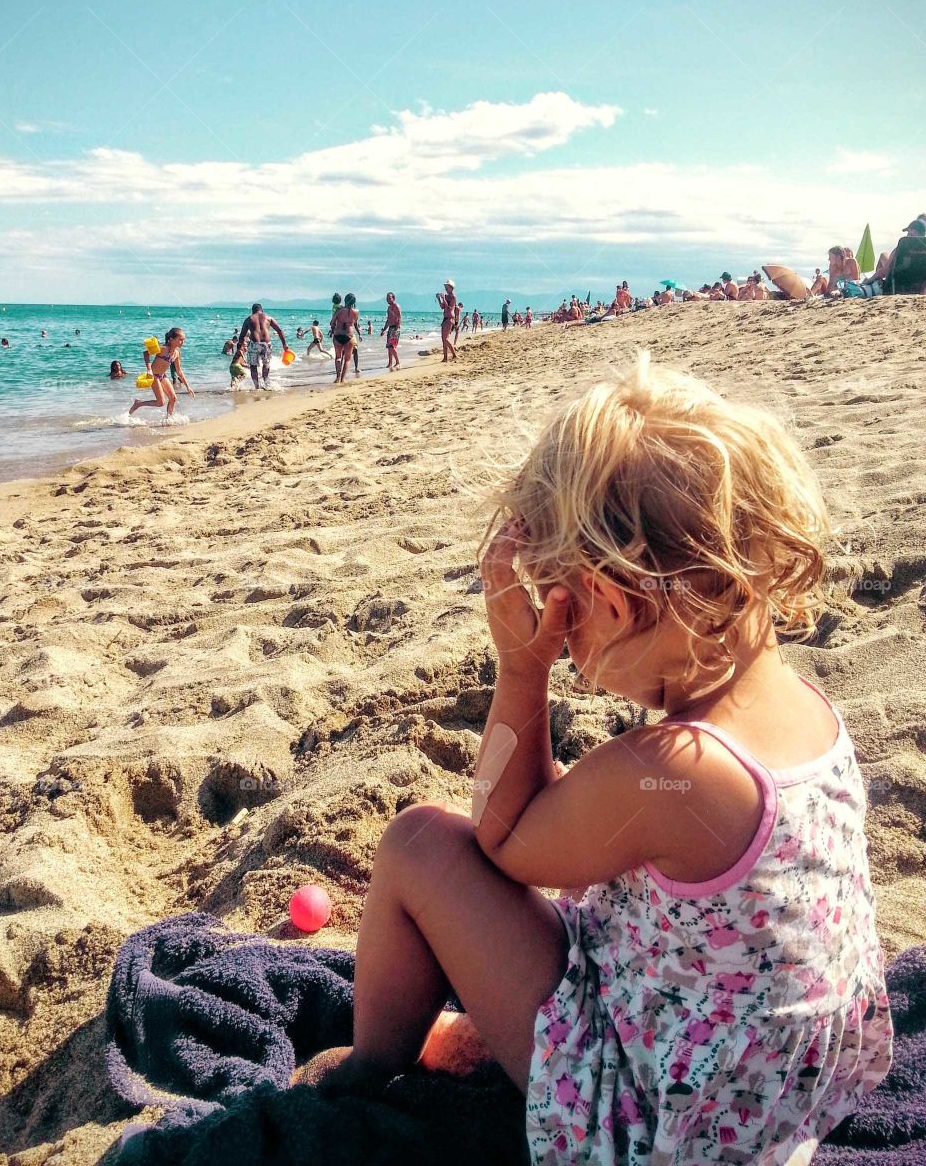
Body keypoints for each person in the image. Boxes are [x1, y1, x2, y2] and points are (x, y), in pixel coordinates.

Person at [293, 357, 893, 1165]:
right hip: (779, 1083)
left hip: (649, 1119)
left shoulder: (673, 769)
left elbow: (503, 838)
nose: (558, 638)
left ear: (608, 602)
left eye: (560, 612)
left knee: (419, 845)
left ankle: (370, 1069)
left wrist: (520, 666)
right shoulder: (802, 707)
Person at [128, 327, 193, 419]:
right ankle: (138, 404)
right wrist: (149, 369)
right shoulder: (162, 348)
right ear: (171, 339)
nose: (183, 342)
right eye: (180, 340)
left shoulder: (177, 352)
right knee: (160, 403)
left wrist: (188, 386)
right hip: (153, 376)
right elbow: (146, 354)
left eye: (183, 340)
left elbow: (179, 371)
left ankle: (168, 419)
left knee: (173, 399)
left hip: (162, 376)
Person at [235, 302, 286, 390]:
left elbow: (242, 334)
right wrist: (285, 344)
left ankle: (256, 386)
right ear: (261, 310)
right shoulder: (269, 318)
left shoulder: (249, 319)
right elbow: (279, 330)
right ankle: (266, 383)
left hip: (254, 344)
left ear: (252, 311)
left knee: (253, 366)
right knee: (266, 364)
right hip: (267, 344)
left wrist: (240, 346)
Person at [331, 293, 359, 383]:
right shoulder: (356, 312)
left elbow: (332, 322)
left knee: (338, 357)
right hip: (349, 336)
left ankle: (338, 377)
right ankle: (343, 379)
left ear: (345, 300)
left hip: (338, 335)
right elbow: (355, 324)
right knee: (347, 359)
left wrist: (334, 327)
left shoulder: (339, 310)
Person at [436, 280, 458, 363]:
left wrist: (444, 299)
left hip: (449, 318)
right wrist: (439, 299)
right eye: (445, 287)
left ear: (451, 288)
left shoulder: (453, 297)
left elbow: (449, 308)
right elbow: (443, 307)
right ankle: (445, 357)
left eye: (447, 287)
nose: (445, 289)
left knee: (445, 339)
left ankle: (454, 354)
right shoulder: (447, 296)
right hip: (445, 318)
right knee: (443, 339)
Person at [379, 291, 401, 370]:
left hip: (395, 328)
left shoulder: (396, 306)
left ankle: (398, 362)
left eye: (389, 298)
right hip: (390, 328)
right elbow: (388, 320)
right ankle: (390, 363)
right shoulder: (389, 308)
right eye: (387, 298)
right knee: (389, 347)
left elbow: (399, 318)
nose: (388, 299)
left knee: (392, 346)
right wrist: (384, 330)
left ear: (393, 298)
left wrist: (396, 329)